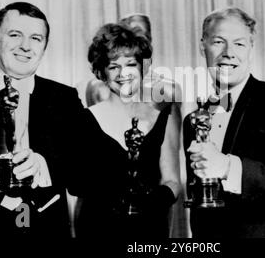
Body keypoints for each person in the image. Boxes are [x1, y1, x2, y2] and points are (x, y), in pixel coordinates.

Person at [184, 7, 265, 238]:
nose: (228, 53)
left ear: (252, 50)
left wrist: (227, 167)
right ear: (202, 46)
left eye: (239, 44)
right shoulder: (192, 121)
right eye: (218, 42)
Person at [0, 2, 83, 241]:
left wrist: (45, 165)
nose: (25, 46)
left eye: (36, 38)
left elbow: (89, 172)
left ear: (45, 46)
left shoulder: (65, 99)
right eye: (15, 35)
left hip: (45, 236)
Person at [67, 23, 181, 239]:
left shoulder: (162, 118)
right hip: (97, 228)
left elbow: (172, 182)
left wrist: (151, 200)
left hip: (150, 229)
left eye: (131, 64)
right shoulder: (83, 119)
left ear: (142, 68)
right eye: (113, 66)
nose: (123, 73)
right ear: (101, 71)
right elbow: (75, 185)